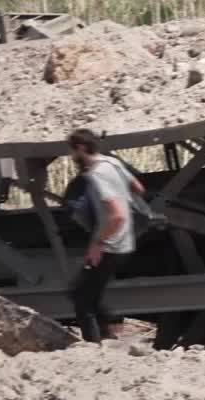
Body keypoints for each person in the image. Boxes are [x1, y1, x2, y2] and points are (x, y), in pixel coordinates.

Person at [67, 129, 146, 342]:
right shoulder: (113, 163)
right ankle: (109, 328)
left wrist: (98, 243)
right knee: (87, 292)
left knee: (81, 298)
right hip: (125, 242)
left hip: (110, 246)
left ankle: (95, 346)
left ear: (81, 148)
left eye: (72, 151)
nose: (71, 156)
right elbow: (138, 188)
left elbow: (117, 216)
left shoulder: (97, 174)